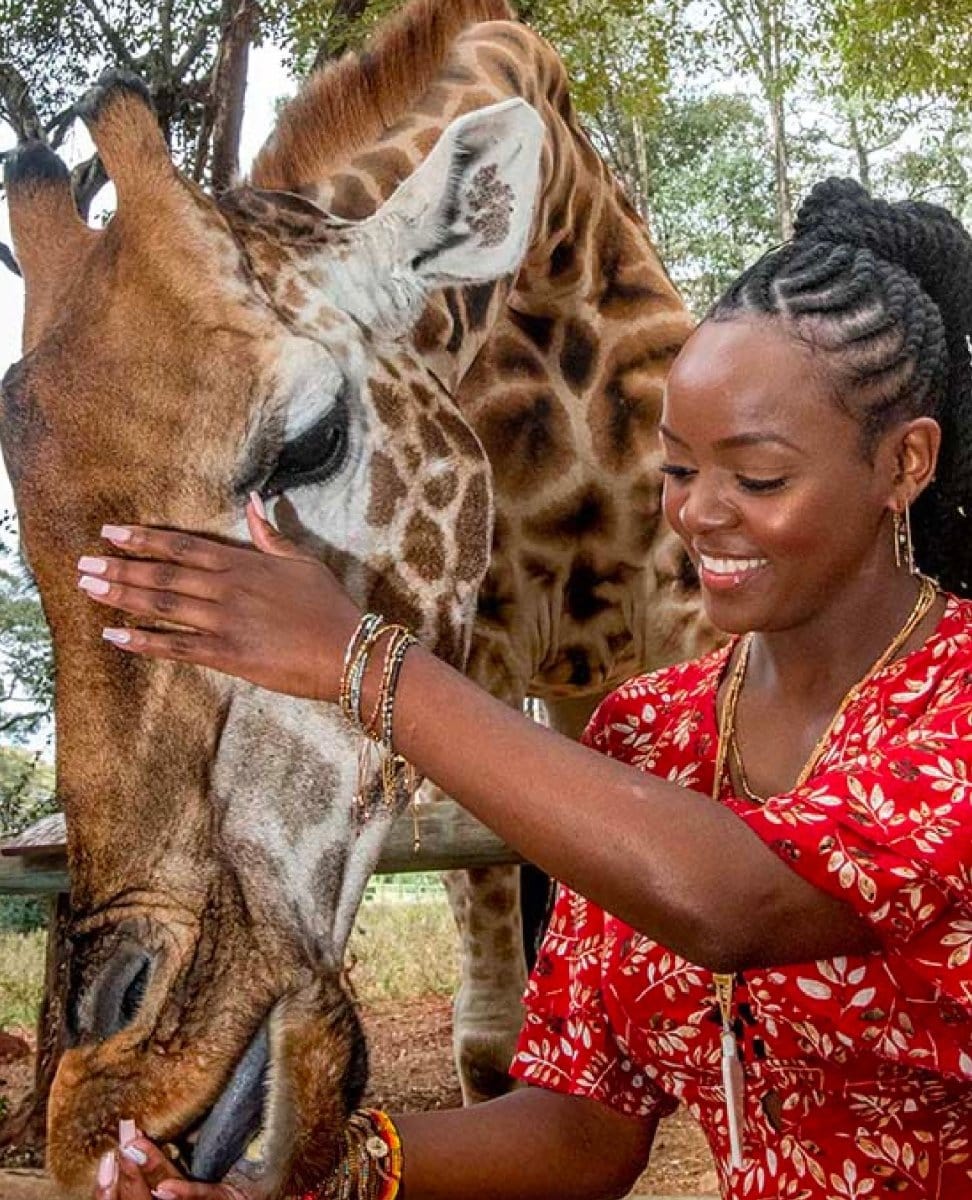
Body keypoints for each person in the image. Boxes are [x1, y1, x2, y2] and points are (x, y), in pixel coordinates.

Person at [82, 178, 972, 1200]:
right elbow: (583, 1127)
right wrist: (315, 1169)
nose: (699, 515)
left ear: (904, 463)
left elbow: (737, 902)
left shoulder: (955, 703)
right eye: (679, 470)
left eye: (759, 479)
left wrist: (359, 660)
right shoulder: (653, 732)